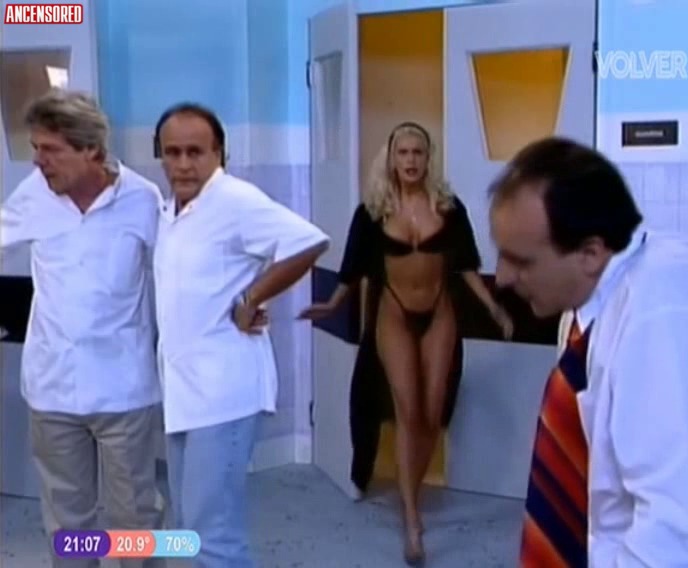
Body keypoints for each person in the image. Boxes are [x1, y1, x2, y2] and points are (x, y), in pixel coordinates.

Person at [488, 137, 688, 567]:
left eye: (522, 261)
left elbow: (675, 535)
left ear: (590, 252)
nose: (502, 278)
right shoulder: (586, 306)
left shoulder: (663, 308)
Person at [300, 121, 514, 565]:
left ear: (428, 158)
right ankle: (412, 520)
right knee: (408, 409)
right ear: (392, 158)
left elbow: (467, 265)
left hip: (439, 311)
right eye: (404, 153)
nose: (411, 161)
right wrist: (332, 304)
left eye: (418, 152)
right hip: (394, 312)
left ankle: (409, 492)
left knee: (431, 413)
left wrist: (493, 308)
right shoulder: (373, 209)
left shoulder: (447, 207)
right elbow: (353, 267)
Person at [152, 102, 329, 568]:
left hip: (224, 393)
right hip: (183, 392)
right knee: (188, 528)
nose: (183, 164)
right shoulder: (170, 212)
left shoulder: (233, 200)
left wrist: (251, 298)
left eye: (195, 152)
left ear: (219, 154)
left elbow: (309, 241)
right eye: (172, 152)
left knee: (213, 537)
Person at [0, 89, 164, 567]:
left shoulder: (141, 198)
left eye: (50, 150)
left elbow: (177, 272)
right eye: (35, 148)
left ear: (91, 149)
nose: (38, 161)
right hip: (52, 386)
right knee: (68, 521)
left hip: (124, 388)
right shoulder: (33, 194)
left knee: (134, 515)